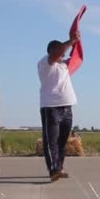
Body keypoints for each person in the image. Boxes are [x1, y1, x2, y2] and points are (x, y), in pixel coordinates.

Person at [38, 30, 80, 182]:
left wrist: (77, 43)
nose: (63, 54)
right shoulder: (45, 63)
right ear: (51, 51)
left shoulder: (63, 65)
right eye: (60, 50)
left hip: (67, 107)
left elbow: (76, 58)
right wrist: (70, 41)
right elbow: (58, 53)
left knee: (62, 141)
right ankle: (53, 170)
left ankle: (59, 168)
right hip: (51, 108)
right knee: (51, 141)